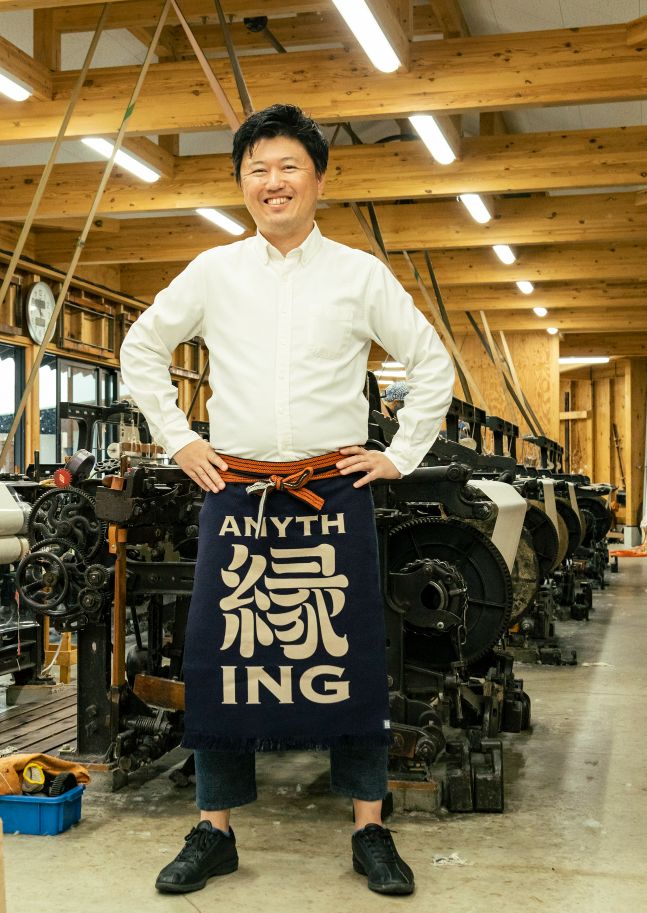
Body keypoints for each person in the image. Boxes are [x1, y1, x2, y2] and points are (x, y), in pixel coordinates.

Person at [119, 103, 454, 897]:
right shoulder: (213, 271)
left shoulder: (358, 275)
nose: (273, 182)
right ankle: (214, 828)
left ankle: (369, 828)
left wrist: (400, 454)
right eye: (257, 170)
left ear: (318, 180)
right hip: (234, 489)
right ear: (242, 183)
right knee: (222, 658)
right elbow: (141, 346)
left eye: (288, 167)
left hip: (331, 491)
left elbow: (430, 362)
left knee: (348, 656)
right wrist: (178, 439)